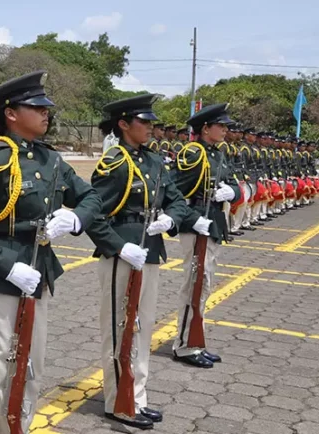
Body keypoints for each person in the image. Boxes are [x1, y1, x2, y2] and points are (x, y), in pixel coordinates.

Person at [0, 70, 101, 433]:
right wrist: (7, 266)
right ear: (12, 113)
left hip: (40, 272)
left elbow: (92, 197)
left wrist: (77, 219)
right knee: (0, 370)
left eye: (46, 107)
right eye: (37, 107)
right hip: (3, 277)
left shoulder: (51, 160)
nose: (46, 113)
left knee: (31, 366)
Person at [86, 94, 211, 430]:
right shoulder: (115, 163)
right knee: (120, 328)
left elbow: (177, 200)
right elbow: (93, 213)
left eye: (152, 122)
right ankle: (118, 400)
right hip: (124, 252)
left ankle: (137, 395)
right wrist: (117, 246)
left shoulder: (154, 161)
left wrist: (170, 219)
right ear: (124, 124)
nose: (152, 127)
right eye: (145, 122)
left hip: (150, 248)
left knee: (142, 327)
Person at [172, 103, 240, 368]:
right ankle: (184, 346)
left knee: (206, 284)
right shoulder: (193, 154)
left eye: (225, 126)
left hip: (213, 222)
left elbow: (233, 180)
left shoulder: (218, 153)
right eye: (220, 126)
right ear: (205, 128)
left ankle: (195, 340)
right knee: (193, 285)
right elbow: (173, 192)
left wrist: (232, 192)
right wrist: (191, 218)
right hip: (197, 224)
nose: (225, 130)